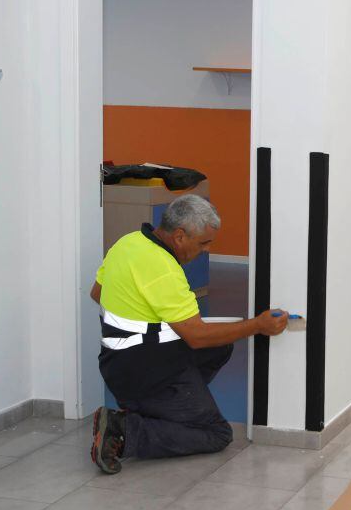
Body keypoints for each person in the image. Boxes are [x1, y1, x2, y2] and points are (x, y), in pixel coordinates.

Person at [88, 194, 288, 474]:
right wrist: (258, 325)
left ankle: (160, 408)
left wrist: (145, 322)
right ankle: (127, 430)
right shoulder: (164, 270)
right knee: (216, 433)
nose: (206, 250)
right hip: (142, 371)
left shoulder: (128, 243)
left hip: (116, 361)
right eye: (203, 242)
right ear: (180, 236)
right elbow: (196, 336)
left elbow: (97, 293)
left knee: (220, 346)